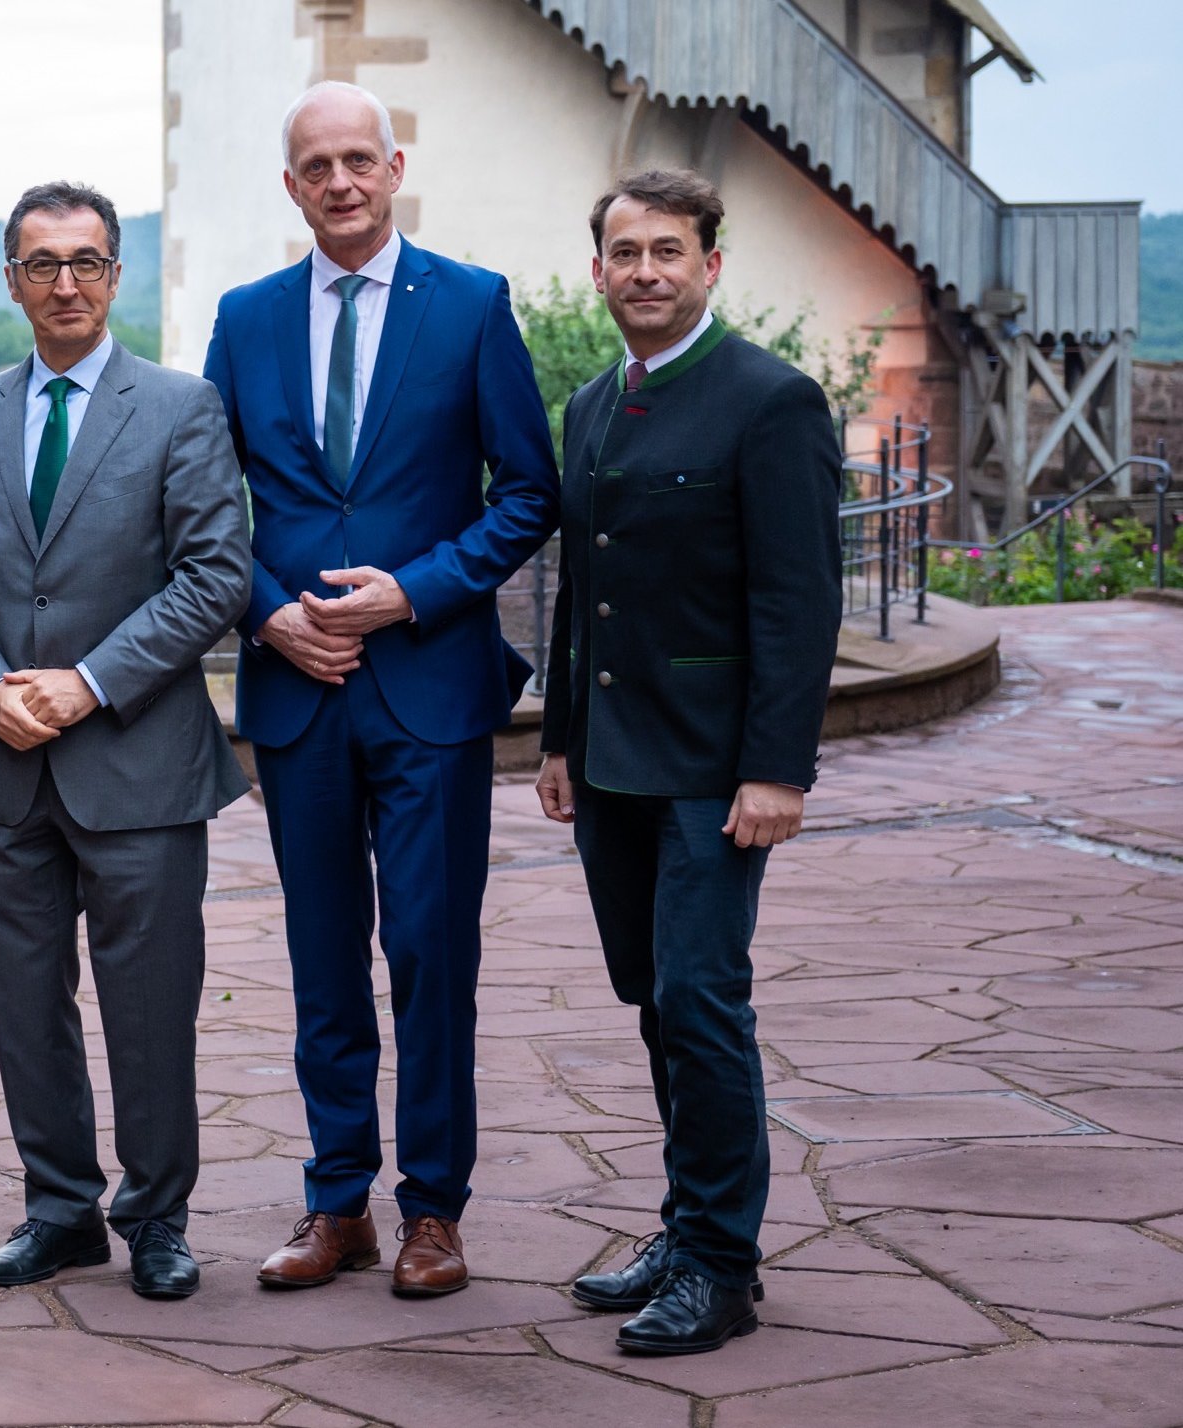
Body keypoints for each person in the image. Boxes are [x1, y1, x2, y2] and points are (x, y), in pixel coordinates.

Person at [200, 81, 560, 1298]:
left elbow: (527, 492)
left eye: (362, 159)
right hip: (297, 690)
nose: (342, 182)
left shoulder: (470, 305)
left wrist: (413, 591)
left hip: (430, 684)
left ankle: (435, 1213)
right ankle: (334, 1202)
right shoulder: (244, 321)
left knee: (429, 951)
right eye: (318, 166)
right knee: (320, 955)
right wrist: (270, 614)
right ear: (290, 185)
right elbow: (204, 512)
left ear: (395, 167)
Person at [0, 181, 248, 1301]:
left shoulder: (181, 407)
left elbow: (217, 576)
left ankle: (157, 1216)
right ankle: (59, 1209)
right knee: (24, 1004)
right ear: (11, 281)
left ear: (117, 275)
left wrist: (90, 682)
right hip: (6, 761)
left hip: (139, 760)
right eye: (42, 264)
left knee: (149, 1006)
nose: (66, 282)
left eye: (88, 262)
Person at [539, 169, 839, 1356]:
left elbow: (798, 602)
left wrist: (780, 770)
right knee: (652, 1000)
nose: (646, 272)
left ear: (711, 265)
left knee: (703, 1001)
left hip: (718, 771)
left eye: (670, 250)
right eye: (626, 252)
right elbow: (584, 597)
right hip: (612, 765)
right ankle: (685, 1219)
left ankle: (721, 1263)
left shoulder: (773, 401)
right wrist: (561, 735)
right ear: (600, 269)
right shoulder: (590, 407)